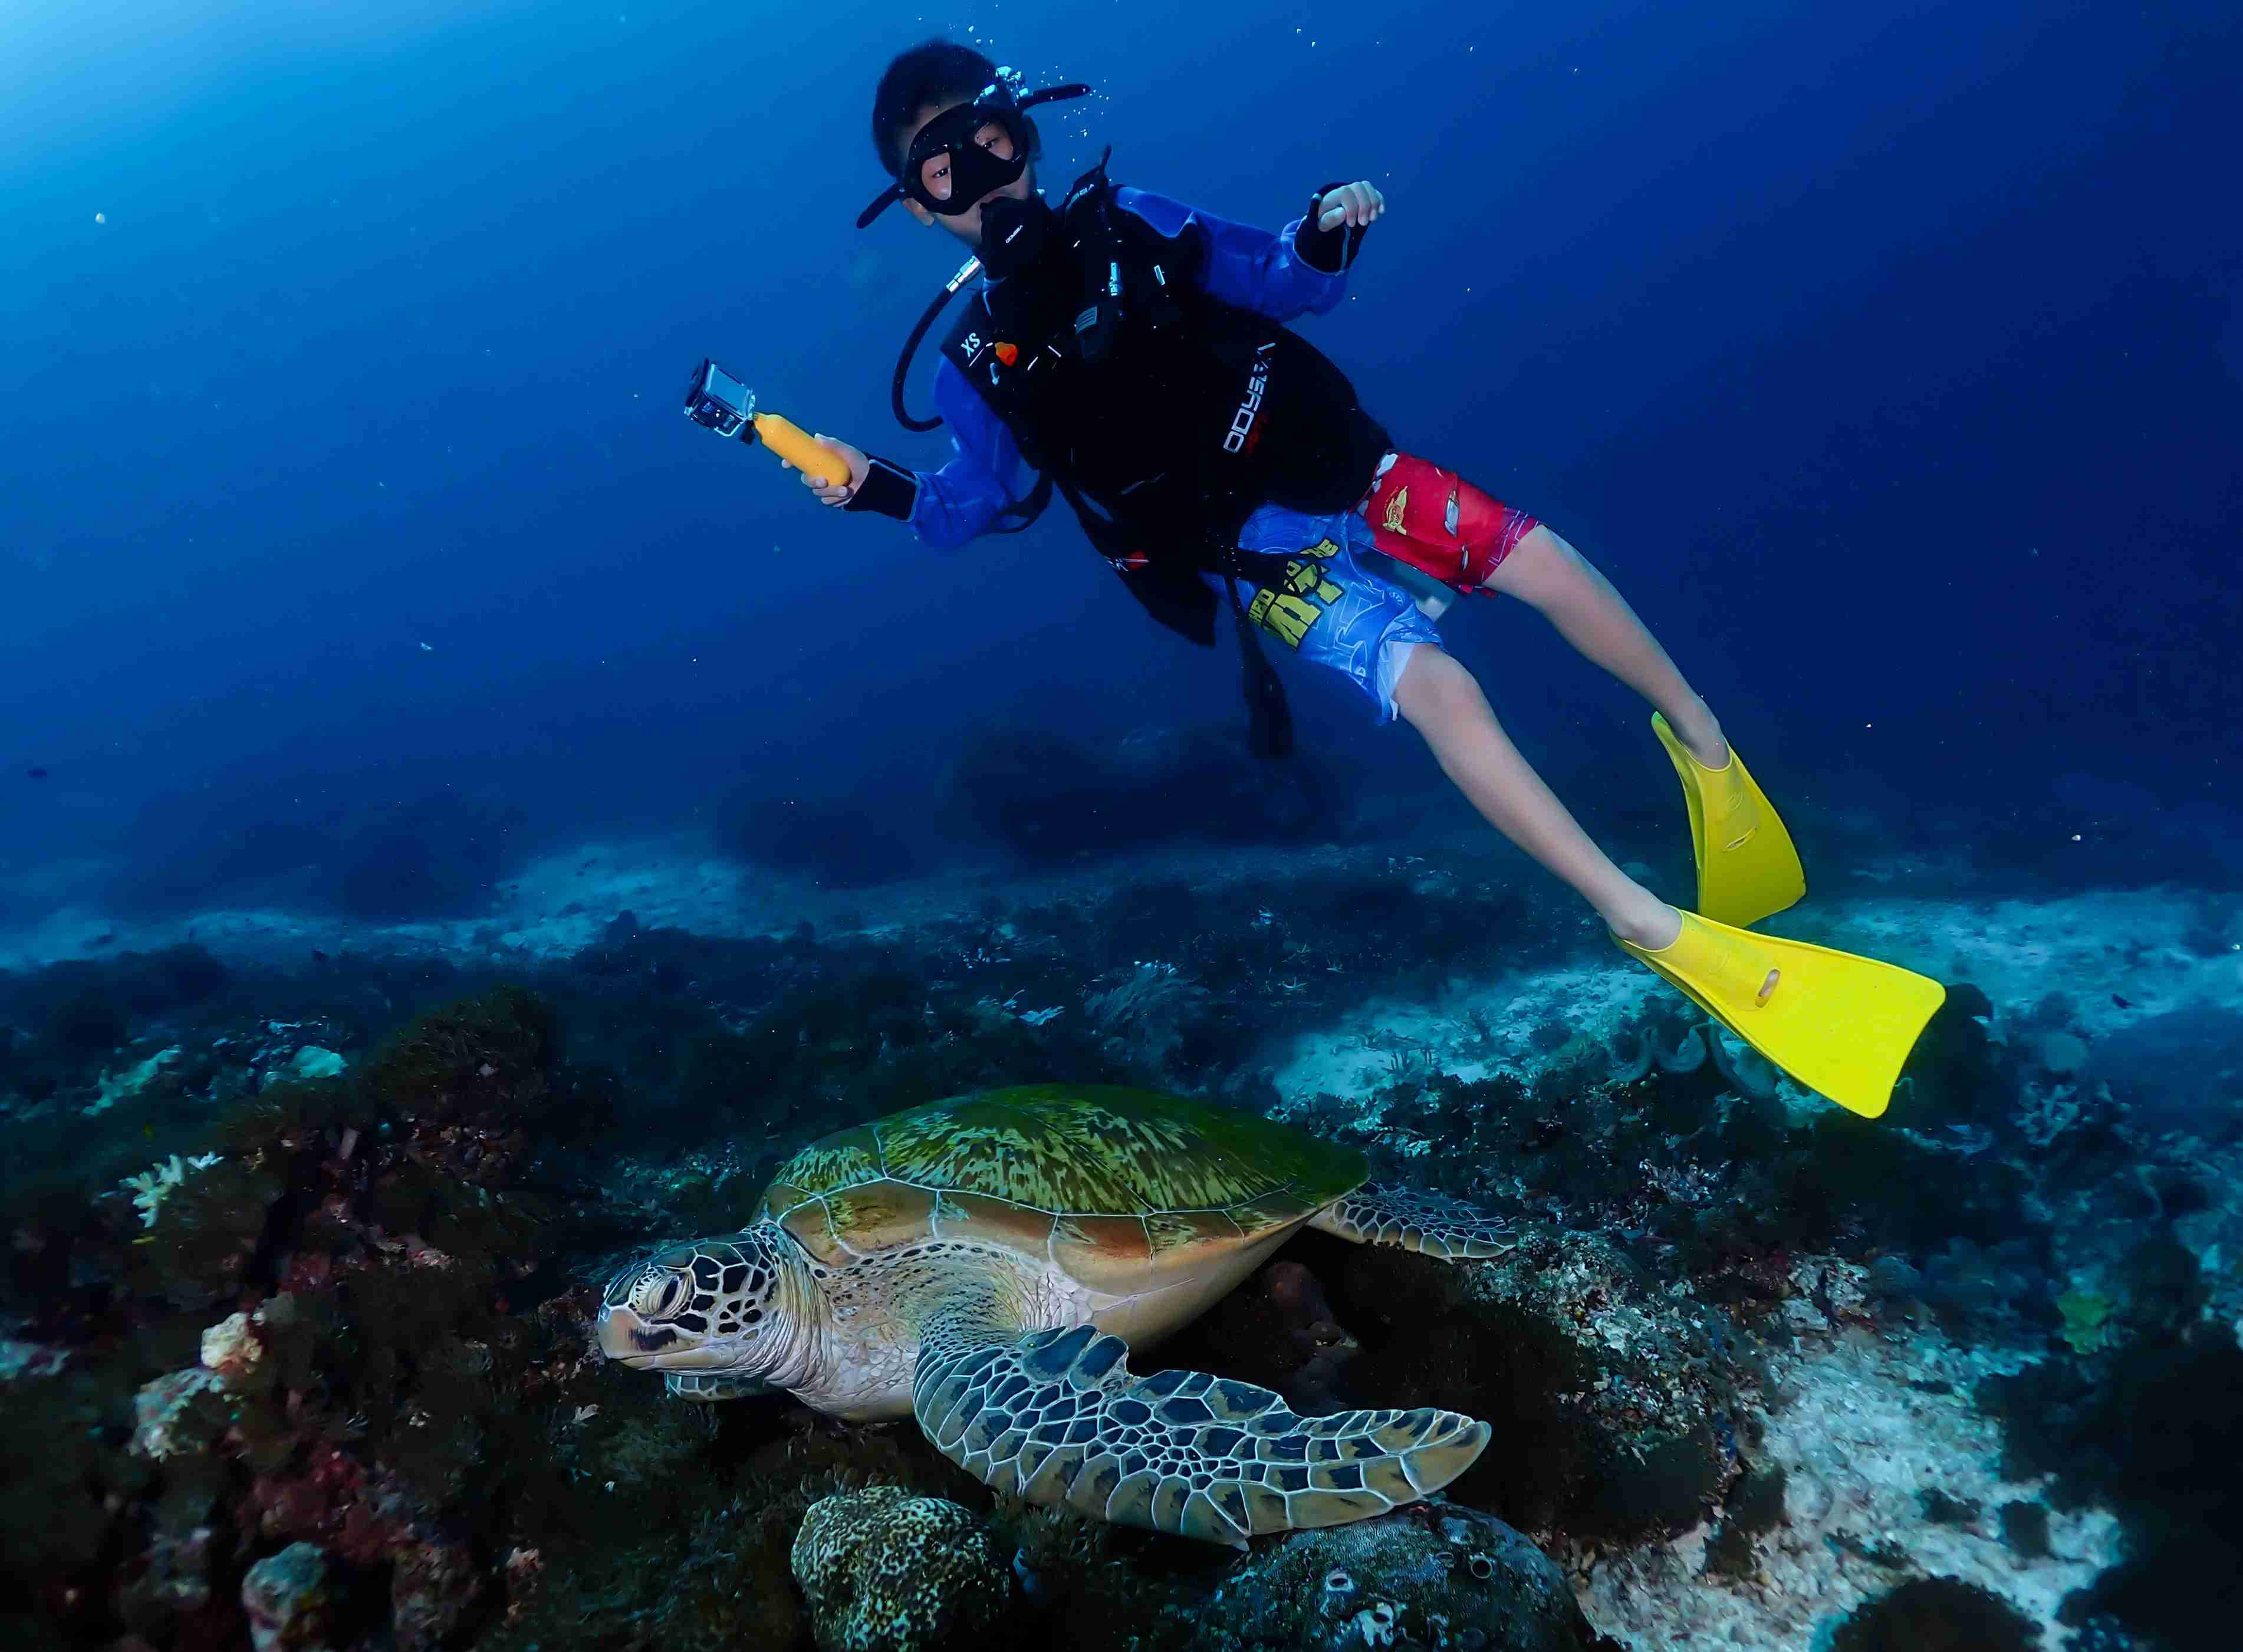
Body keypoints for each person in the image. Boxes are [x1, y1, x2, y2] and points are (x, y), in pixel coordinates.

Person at [780, 41, 1942, 1118]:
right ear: (920, 210)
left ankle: (1701, 740)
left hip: (1343, 467)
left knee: (1536, 559)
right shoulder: (977, 367)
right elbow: (956, 513)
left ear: (1025, 133)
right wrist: (863, 483)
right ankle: (1639, 917)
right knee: (1442, 690)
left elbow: (1290, 281)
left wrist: (1331, 227)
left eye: (989, 142)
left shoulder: (1137, 223)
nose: (979, 181)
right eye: (942, 172)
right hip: (1265, 563)